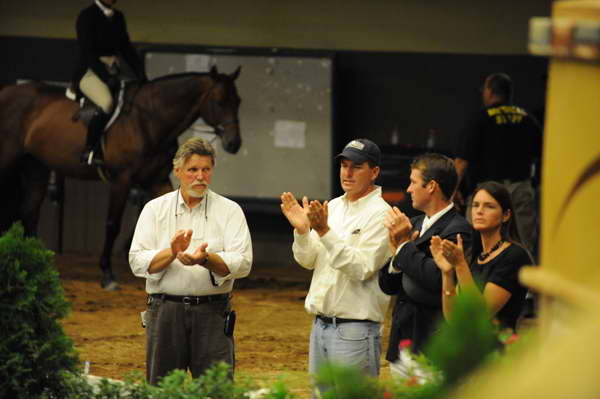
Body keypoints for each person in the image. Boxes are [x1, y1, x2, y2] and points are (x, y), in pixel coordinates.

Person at [129, 137, 252, 384]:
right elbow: (136, 261)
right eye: (192, 170)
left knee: (215, 389)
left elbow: (243, 262)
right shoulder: (154, 209)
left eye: (206, 170)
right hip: (164, 312)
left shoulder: (230, 210)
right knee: (162, 389)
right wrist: (171, 252)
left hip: (213, 312)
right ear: (177, 171)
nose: (200, 176)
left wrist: (205, 259)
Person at [280, 138, 392, 396]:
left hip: (355, 329)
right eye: (344, 165)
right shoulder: (334, 207)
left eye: (357, 166)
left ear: (374, 172)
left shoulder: (381, 214)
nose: (348, 173)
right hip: (321, 326)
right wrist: (302, 231)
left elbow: (361, 268)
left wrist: (323, 230)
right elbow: (308, 261)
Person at [378, 153, 472, 379]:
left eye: (413, 182)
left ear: (431, 186)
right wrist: (396, 260)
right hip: (402, 343)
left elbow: (436, 279)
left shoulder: (458, 230)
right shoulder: (415, 224)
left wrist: (402, 248)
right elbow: (387, 285)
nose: (408, 189)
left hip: (432, 349)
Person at [454, 72, 542, 256]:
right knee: (524, 245)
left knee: (476, 244)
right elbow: (543, 158)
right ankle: (521, 284)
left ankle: (473, 283)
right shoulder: (527, 118)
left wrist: (452, 191)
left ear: (489, 91)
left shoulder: (481, 118)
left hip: (488, 191)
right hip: (520, 189)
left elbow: (462, 161)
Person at [430, 181, 532, 331]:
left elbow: (480, 314)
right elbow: (453, 318)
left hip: (499, 349)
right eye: (475, 205)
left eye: (489, 206)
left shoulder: (514, 255)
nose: (479, 211)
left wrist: (460, 265)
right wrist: (447, 273)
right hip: (469, 347)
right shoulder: (474, 255)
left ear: (506, 215)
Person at [72, 0, 148, 165]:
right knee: (107, 102)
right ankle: (90, 149)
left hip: (114, 69)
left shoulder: (118, 17)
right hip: (90, 71)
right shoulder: (87, 16)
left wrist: (141, 74)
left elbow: (126, 47)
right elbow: (88, 52)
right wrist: (106, 78)